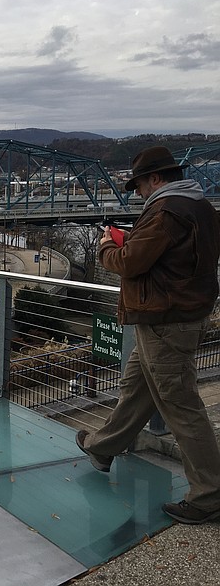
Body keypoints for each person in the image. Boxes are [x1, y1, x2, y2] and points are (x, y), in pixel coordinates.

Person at [76, 145, 220, 524]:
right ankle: (103, 447)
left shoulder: (165, 210)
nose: (138, 192)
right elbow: (174, 259)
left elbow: (130, 263)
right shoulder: (200, 206)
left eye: (138, 185)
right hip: (176, 314)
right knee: (137, 388)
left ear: (155, 179)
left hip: (164, 320)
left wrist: (110, 244)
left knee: (180, 405)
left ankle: (210, 494)